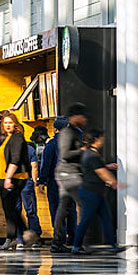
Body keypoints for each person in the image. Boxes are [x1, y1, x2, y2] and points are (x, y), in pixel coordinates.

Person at [73, 129, 125, 254]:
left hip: (95, 192)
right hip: (91, 192)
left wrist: (107, 166)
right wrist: (114, 182)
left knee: (106, 218)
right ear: (96, 140)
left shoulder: (89, 154)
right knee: (86, 219)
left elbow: (95, 168)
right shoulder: (93, 155)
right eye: (101, 138)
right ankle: (76, 246)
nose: (102, 140)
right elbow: (101, 173)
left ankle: (113, 245)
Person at [50, 103, 87, 253]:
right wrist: (82, 150)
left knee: (63, 208)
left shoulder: (77, 132)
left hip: (69, 174)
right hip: (70, 175)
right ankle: (78, 243)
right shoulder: (67, 133)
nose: (85, 119)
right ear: (75, 117)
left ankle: (57, 242)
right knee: (85, 205)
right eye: (82, 116)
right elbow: (65, 154)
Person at [0, 112, 31, 251]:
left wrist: (8, 178)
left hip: (14, 177)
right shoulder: (7, 138)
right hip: (5, 176)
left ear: (15, 124)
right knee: (10, 209)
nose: (8, 125)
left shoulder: (17, 138)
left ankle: (12, 238)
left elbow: (15, 159)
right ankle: (23, 235)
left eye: (10, 122)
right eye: (5, 123)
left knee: (10, 208)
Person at [38, 117, 68, 235]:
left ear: (55, 129)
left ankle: (59, 237)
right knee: (70, 210)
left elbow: (46, 164)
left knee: (55, 209)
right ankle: (72, 236)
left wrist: (42, 180)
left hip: (55, 181)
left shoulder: (51, 144)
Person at [22, 126, 47, 245]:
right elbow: (35, 167)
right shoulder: (30, 148)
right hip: (26, 182)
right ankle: (35, 235)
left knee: (16, 211)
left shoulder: (8, 146)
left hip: (13, 182)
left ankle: (18, 237)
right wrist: (34, 181)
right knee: (30, 210)